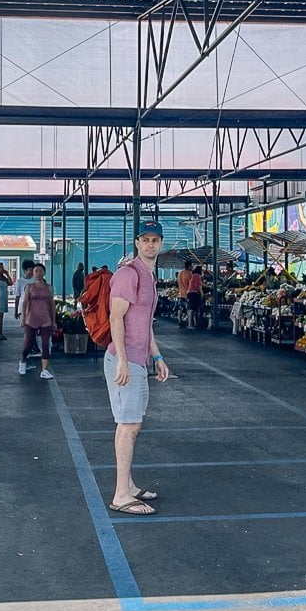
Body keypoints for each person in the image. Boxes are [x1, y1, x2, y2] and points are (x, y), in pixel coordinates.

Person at [105, 220, 170, 516]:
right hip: (125, 361)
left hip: (139, 360)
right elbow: (115, 318)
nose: (150, 244)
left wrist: (157, 357)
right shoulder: (127, 274)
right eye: (145, 239)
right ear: (137, 243)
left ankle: (128, 486)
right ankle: (121, 495)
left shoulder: (149, 276)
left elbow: (146, 325)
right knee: (128, 425)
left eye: (155, 240)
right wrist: (122, 360)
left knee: (134, 423)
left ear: (160, 244)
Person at [19, 264, 57, 379]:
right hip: (31, 318)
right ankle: (23, 361)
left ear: (44, 273)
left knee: (45, 344)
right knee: (28, 344)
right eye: (36, 271)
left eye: (40, 271)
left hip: (45, 319)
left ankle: (44, 370)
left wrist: (53, 320)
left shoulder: (49, 287)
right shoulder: (29, 287)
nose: (38, 273)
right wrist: (23, 317)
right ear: (33, 273)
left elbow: (52, 304)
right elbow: (25, 302)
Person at [186, 265, 204, 330]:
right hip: (193, 293)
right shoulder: (197, 276)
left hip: (190, 293)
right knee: (192, 309)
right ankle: (190, 324)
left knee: (193, 308)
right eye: (202, 270)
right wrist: (201, 293)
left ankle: (194, 323)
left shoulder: (194, 275)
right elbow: (197, 286)